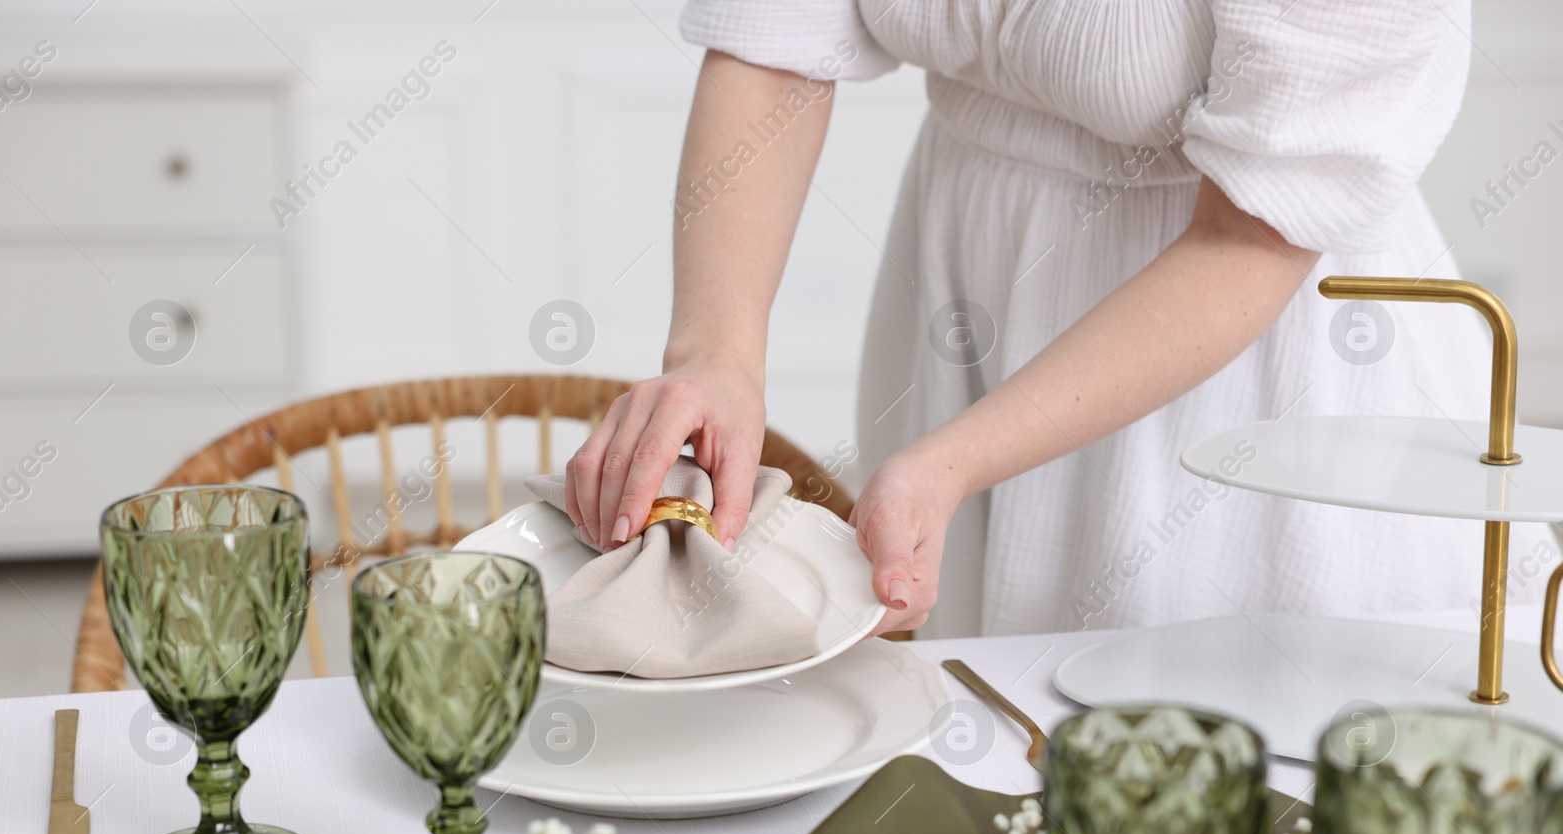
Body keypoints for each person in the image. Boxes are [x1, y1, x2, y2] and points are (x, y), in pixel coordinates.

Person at [563, 0, 1499, 638]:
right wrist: (716, 352)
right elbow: (776, 40)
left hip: (1253, 365)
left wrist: (956, 460)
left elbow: (1250, 236)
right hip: (964, 306)